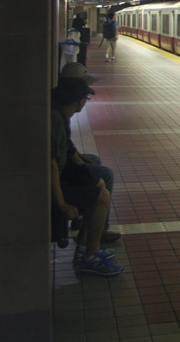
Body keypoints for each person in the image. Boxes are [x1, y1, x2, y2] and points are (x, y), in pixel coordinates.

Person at [51, 78, 124, 276]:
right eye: (86, 98)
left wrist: (82, 161)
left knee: (100, 181)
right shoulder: (54, 120)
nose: (85, 102)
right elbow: (51, 166)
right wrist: (61, 204)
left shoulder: (58, 115)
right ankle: (90, 254)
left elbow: (66, 151)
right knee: (102, 191)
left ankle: (86, 249)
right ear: (77, 101)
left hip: (62, 175)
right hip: (51, 186)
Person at [59, 62, 120, 243]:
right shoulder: (60, 114)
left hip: (63, 166)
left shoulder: (61, 109)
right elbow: (54, 163)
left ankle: (89, 220)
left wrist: (79, 157)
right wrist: (61, 204)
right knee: (105, 174)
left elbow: (67, 146)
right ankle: (99, 231)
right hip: (60, 174)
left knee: (93, 159)